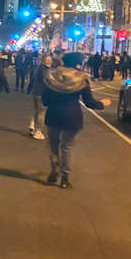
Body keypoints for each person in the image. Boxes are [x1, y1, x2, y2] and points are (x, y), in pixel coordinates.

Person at [42, 52, 110, 188]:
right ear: (78, 63)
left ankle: (54, 170)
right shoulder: (81, 79)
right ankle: (65, 179)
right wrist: (102, 103)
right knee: (67, 147)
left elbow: (45, 100)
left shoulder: (53, 76)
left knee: (53, 145)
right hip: (72, 116)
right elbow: (89, 102)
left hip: (54, 114)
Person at [26, 53, 52, 140]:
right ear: (43, 60)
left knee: (37, 111)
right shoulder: (45, 69)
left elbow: (32, 80)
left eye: (50, 60)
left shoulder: (37, 68)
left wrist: (29, 89)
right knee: (41, 113)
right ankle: (38, 131)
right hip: (42, 93)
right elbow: (46, 80)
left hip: (36, 92)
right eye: (47, 60)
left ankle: (32, 124)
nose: (49, 61)